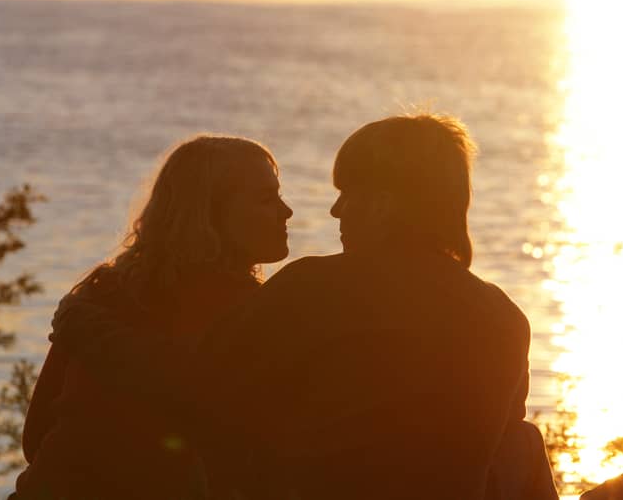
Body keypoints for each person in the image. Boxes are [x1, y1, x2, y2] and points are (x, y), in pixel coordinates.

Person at [52, 113, 559, 500]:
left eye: (348, 194)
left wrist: (83, 324)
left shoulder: (312, 290)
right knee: (522, 443)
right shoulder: (504, 317)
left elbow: (191, 386)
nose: (334, 210)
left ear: (383, 204)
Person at [13, 135, 293, 500]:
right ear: (210, 214)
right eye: (265, 199)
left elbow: (35, 437)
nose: (286, 211)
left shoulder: (101, 294)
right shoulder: (252, 313)